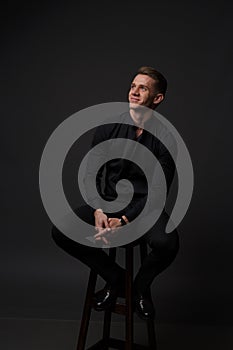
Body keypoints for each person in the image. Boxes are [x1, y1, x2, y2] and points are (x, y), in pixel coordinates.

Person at [52, 66, 179, 320]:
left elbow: (158, 191)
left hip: (144, 208)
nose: (134, 91)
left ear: (157, 98)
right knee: (61, 231)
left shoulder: (166, 137)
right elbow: (90, 173)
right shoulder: (109, 127)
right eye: (133, 86)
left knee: (168, 243)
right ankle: (119, 280)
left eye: (142, 88)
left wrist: (125, 219)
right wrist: (99, 209)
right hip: (106, 202)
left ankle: (140, 288)